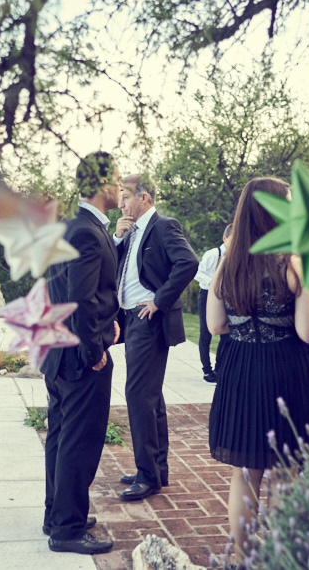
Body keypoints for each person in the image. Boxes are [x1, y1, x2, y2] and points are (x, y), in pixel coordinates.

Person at [206, 177, 309, 562]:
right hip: (284, 370)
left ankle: (242, 557)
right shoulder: (292, 260)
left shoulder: (228, 261)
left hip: (239, 370)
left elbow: (215, 326)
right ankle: (281, 555)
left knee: (245, 470)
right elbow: (308, 332)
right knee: (286, 470)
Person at [42, 152, 122, 555]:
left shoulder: (70, 227)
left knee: (59, 434)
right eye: (118, 179)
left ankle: (56, 513)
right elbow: (80, 299)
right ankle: (68, 529)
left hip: (57, 352)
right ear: (104, 184)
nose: (122, 186)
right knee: (79, 441)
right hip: (79, 356)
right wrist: (97, 348)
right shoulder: (87, 231)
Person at [114, 174, 198, 501]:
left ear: (144, 198)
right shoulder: (130, 231)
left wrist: (159, 300)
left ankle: (147, 476)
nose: (120, 203)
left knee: (137, 395)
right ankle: (155, 470)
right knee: (150, 396)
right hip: (132, 321)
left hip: (148, 321)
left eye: (125, 196)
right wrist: (117, 238)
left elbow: (187, 262)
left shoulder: (163, 226)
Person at [194, 223, 232, 383]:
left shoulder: (237, 256)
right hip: (207, 295)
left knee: (226, 334)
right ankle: (207, 371)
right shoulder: (213, 254)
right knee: (205, 334)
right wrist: (214, 283)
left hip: (227, 297)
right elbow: (197, 272)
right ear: (225, 238)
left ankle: (220, 369)